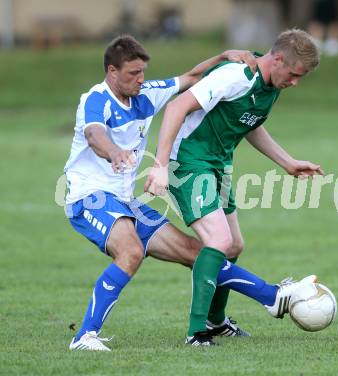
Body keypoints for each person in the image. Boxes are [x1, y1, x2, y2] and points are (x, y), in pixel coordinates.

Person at [64, 34, 318, 351]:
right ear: (112, 72)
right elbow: (94, 134)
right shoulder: (96, 99)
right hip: (91, 197)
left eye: (143, 72)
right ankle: (84, 336)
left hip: (126, 201)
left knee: (201, 253)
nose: (141, 80)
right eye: (133, 74)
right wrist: (116, 153)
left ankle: (264, 301)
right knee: (130, 251)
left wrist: (221, 54)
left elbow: (192, 78)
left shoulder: (145, 95)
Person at [145, 28, 324, 346]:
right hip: (188, 161)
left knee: (234, 245)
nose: (295, 82)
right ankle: (196, 331)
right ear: (278, 59)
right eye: (294, 74)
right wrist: (160, 166)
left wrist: (287, 162)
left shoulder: (271, 82)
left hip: (218, 164)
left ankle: (215, 322)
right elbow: (176, 107)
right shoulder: (236, 75)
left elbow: (249, 122)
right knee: (218, 239)